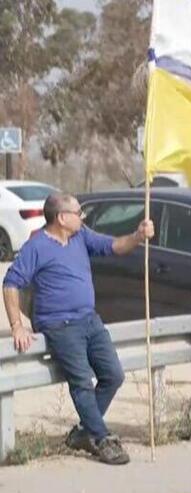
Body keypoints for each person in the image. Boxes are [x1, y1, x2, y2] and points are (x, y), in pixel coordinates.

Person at [2, 193, 154, 465]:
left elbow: (114, 246)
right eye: (77, 212)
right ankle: (102, 438)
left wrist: (138, 236)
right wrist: (17, 326)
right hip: (59, 325)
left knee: (113, 375)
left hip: (89, 320)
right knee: (82, 382)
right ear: (61, 218)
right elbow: (11, 282)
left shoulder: (81, 235)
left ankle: (84, 433)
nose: (82, 217)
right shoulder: (36, 246)